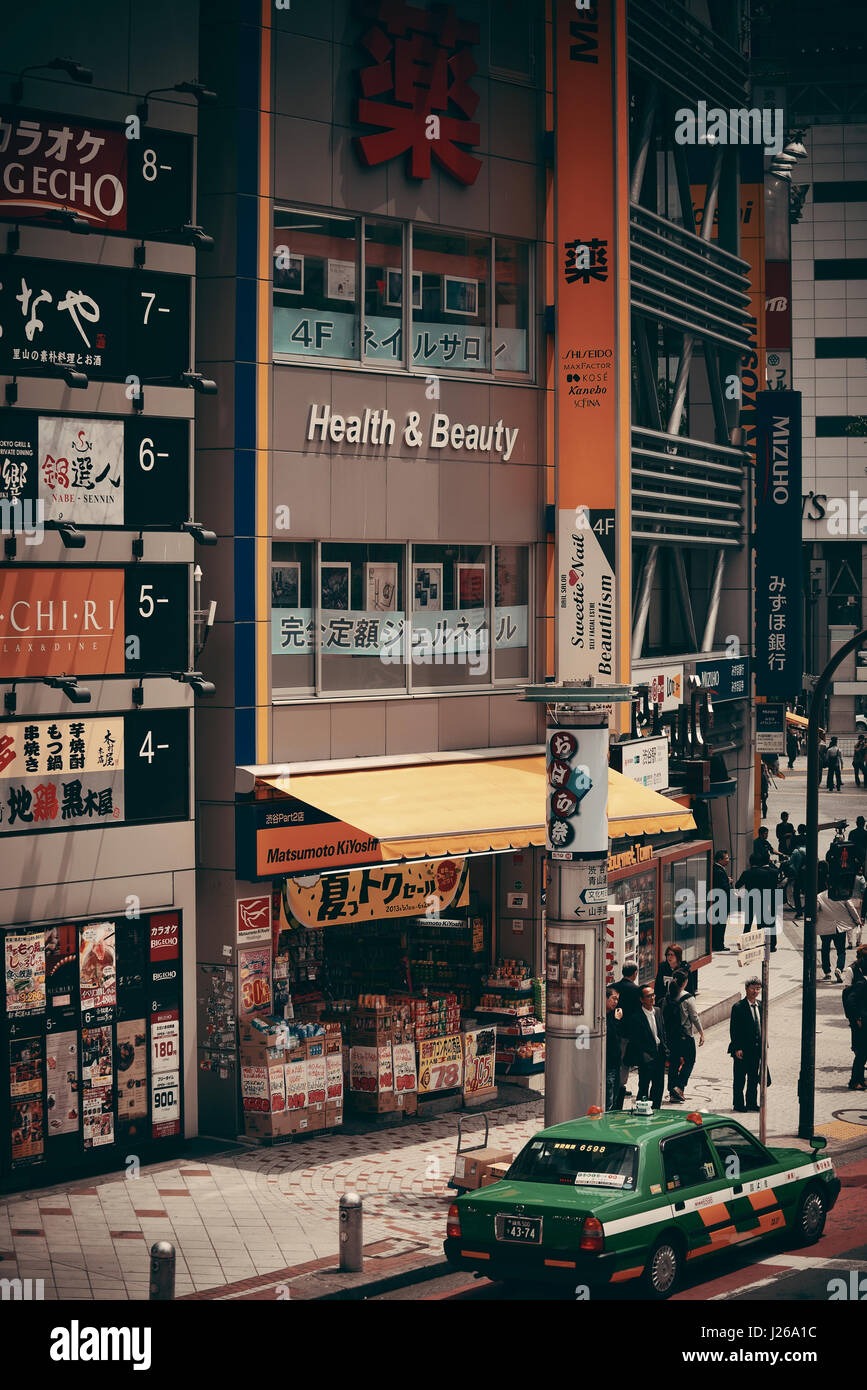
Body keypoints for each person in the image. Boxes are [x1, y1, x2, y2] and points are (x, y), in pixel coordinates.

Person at [664, 968, 704, 1103]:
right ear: (685, 982)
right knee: (690, 1060)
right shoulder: (688, 997)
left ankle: (672, 1093)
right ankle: (679, 1087)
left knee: (674, 1063)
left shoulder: (668, 996)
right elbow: (694, 1017)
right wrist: (701, 1032)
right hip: (685, 1036)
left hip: (671, 1036)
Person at [627, 985, 669, 1110]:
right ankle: (642, 1111)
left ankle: (656, 1110)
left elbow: (663, 1032)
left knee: (659, 1086)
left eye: (653, 995)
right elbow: (636, 1041)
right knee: (644, 1086)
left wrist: (666, 1051)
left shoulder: (658, 1011)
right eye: (648, 996)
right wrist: (644, 1057)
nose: (652, 998)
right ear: (641, 999)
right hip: (646, 1057)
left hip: (659, 1054)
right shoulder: (636, 1017)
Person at [728, 979, 766, 1113]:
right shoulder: (738, 1007)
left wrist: (764, 1044)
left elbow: (763, 1026)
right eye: (753, 988)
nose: (755, 991)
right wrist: (737, 1047)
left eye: (758, 989)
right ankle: (738, 1103)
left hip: (756, 1049)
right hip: (742, 1050)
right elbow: (734, 1029)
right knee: (739, 1078)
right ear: (746, 989)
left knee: (753, 1078)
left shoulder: (761, 1005)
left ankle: (751, 1102)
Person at [736, 853, 781, 951]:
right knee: (764, 923)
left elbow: (737, 885)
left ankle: (745, 944)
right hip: (765, 900)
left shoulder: (746, 873)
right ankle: (766, 944)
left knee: (748, 923)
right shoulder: (767, 873)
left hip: (750, 901)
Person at [816, 889, 858, 980]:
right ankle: (839, 968)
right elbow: (851, 907)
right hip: (839, 927)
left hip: (825, 928)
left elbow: (815, 910)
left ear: (826, 884)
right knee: (841, 950)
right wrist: (857, 919)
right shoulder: (842, 894)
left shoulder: (820, 896)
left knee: (825, 949)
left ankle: (827, 972)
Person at [613, 963, 642, 1094]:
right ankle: (620, 1086)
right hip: (627, 1031)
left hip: (613, 1029)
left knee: (612, 1058)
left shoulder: (613, 988)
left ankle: (613, 1082)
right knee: (624, 1061)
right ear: (635, 973)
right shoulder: (637, 990)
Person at [842, 954, 867, 1090]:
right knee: (860, 1050)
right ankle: (855, 1080)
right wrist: (856, 1018)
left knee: (864, 1051)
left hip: (863, 1018)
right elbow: (849, 999)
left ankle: (860, 1079)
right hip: (859, 1020)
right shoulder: (857, 978)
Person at [605, 986, 624, 1110]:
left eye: (617, 1000)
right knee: (609, 1098)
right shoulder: (603, 1017)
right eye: (613, 999)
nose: (616, 1002)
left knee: (615, 1095)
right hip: (608, 1063)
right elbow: (609, 1037)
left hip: (615, 1062)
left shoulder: (612, 1015)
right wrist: (617, 1021)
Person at [710, 850, 734, 951]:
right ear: (720, 860)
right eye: (726, 858)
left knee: (717, 925)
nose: (728, 860)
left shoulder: (717, 869)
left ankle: (716, 944)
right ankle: (719, 945)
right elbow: (723, 888)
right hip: (721, 903)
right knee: (720, 926)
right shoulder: (719, 871)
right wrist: (728, 882)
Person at [786, 839, 807, 916]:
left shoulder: (796, 851)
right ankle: (808, 909)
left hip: (799, 875)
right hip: (809, 876)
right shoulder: (810, 849)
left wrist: (795, 873)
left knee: (796, 893)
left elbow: (791, 865)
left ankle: (799, 912)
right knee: (807, 893)